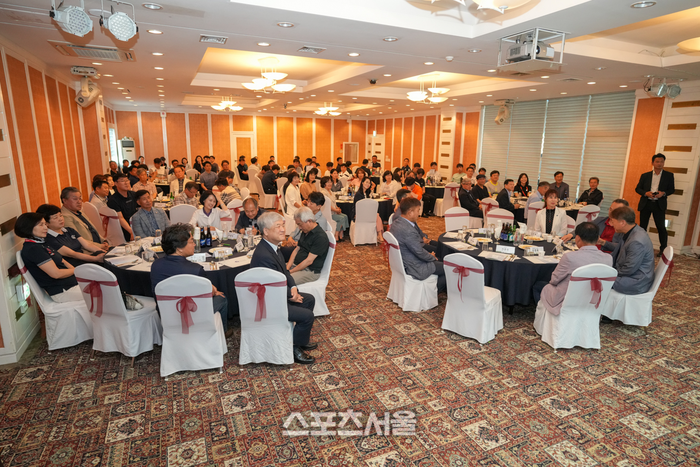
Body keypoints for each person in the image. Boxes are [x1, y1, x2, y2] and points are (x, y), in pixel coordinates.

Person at [251, 212, 317, 364]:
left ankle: (299, 340)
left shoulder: (272, 247)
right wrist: (290, 295)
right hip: (268, 303)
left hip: (276, 294)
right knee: (307, 316)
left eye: (282, 225)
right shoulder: (264, 255)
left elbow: (284, 272)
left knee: (309, 300)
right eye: (278, 226)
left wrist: (293, 287)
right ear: (266, 231)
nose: (282, 229)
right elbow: (271, 286)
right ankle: (293, 348)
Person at [151, 224, 233, 336]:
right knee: (221, 298)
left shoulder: (155, 265)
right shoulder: (195, 270)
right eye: (191, 241)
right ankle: (222, 332)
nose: (194, 244)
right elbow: (208, 293)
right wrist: (214, 290)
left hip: (167, 314)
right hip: (193, 315)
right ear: (179, 249)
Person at [532, 222, 613, 313]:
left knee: (538, 285)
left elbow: (554, 280)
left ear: (577, 238)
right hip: (592, 301)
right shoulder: (608, 258)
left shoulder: (570, 257)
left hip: (567, 300)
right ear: (598, 238)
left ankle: (545, 315)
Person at [16, 212, 85, 303]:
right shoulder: (33, 249)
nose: (46, 228)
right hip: (63, 291)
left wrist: (78, 273)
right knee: (102, 292)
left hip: (71, 284)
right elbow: (56, 274)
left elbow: (63, 261)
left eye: (45, 224)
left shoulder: (41, 242)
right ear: (28, 227)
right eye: (41, 225)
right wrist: (78, 270)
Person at [389, 197, 446, 293]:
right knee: (450, 268)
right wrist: (431, 257)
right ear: (410, 212)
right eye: (418, 210)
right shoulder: (408, 230)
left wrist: (430, 256)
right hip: (414, 266)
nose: (419, 213)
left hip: (405, 261)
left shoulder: (396, 222)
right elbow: (418, 251)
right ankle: (431, 292)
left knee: (441, 260)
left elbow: (416, 248)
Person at [600, 206, 655, 295]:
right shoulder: (633, 231)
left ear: (622, 222)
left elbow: (629, 269)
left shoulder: (636, 241)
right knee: (598, 274)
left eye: (613, 221)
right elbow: (620, 250)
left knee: (597, 280)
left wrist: (610, 273)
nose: (612, 225)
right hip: (631, 275)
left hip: (636, 280)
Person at [36, 204, 107, 267]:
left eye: (60, 215)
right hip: (74, 265)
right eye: (55, 217)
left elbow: (87, 245)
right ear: (46, 223)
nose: (60, 219)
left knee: (106, 256)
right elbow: (72, 254)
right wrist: (95, 259)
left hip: (85, 259)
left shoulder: (69, 230)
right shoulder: (49, 238)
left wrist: (105, 253)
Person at [636, 153, 675, 255]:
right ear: (652, 163)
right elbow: (638, 188)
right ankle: (640, 247)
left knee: (661, 227)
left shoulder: (669, 175)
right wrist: (646, 193)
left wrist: (663, 193)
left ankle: (663, 250)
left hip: (659, 204)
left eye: (662, 162)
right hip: (646, 203)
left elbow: (671, 189)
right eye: (657, 161)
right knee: (642, 227)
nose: (659, 163)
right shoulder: (645, 175)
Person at [286, 206, 330, 285]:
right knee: (275, 272)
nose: (299, 228)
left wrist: (290, 272)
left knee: (284, 281)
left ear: (309, 221)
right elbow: (296, 249)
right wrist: (287, 268)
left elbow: (309, 261)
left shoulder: (320, 237)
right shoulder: (306, 231)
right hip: (297, 265)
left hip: (309, 271)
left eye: (300, 224)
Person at [107, 173, 137, 241]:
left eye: (127, 180)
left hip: (136, 224)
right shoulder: (113, 200)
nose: (126, 183)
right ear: (116, 183)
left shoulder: (133, 194)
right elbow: (120, 218)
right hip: (124, 229)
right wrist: (131, 231)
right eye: (122, 181)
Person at [354, 177, 384, 243]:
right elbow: (358, 207)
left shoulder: (368, 193)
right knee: (377, 216)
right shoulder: (358, 194)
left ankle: (379, 234)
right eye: (366, 182)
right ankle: (379, 235)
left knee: (377, 215)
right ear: (362, 183)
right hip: (360, 214)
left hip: (368, 213)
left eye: (369, 183)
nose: (368, 184)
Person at [319, 176, 349, 241]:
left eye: (330, 182)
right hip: (328, 213)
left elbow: (334, 203)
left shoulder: (331, 192)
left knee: (345, 216)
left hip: (334, 211)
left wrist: (338, 208)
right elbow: (327, 206)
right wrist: (336, 210)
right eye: (328, 182)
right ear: (324, 183)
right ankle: (336, 236)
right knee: (341, 218)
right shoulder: (323, 193)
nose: (330, 184)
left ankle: (340, 234)